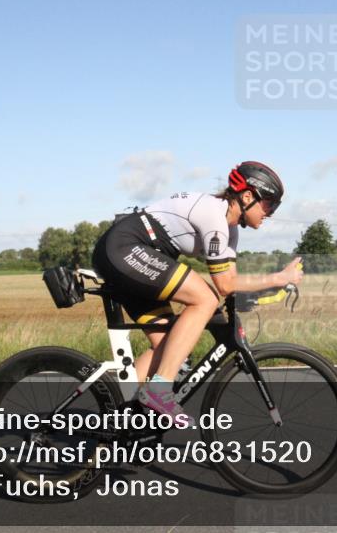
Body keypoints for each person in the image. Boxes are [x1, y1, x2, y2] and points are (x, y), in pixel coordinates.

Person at [92, 161, 303, 421]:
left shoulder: (231, 231)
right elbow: (223, 285)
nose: (269, 213)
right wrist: (279, 277)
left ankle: (118, 419)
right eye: (269, 204)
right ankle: (159, 390)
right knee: (204, 300)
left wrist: (271, 290)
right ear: (247, 196)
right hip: (123, 247)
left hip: (140, 256)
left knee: (170, 347)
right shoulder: (214, 217)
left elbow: (232, 283)